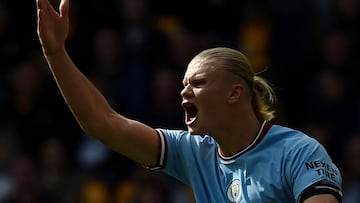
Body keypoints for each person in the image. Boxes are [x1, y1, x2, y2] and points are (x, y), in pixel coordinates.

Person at [35, 0, 343, 202]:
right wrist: (56, 53)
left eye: (198, 83)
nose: (184, 92)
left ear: (235, 93)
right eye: (184, 84)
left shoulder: (298, 151)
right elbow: (103, 123)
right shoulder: (195, 152)